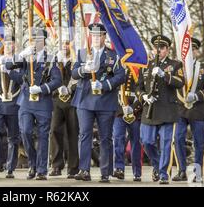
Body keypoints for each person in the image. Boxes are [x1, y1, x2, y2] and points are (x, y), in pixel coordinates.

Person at [5, 28, 61, 180]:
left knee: (43, 136)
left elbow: (57, 80)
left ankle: (41, 170)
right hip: (26, 101)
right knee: (25, 132)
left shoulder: (50, 59)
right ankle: (33, 163)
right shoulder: (25, 57)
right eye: (33, 39)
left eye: (39, 39)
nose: (36, 42)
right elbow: (9, 66)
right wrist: (22, 55)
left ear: (44, 41)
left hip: (43, 102)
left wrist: (42, 88)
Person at [71, 23, 125, 183]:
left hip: (105, 101)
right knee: (84, 135)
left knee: (105, 137)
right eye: (93, 36)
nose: (95, 38)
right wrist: (83, 70)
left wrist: (104, 85)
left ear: (104, 37)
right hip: (85, 100)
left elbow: (121, 76)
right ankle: (84, 170)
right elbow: (74, 73)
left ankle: (105, 172)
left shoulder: (113, 56)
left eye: (98, 35)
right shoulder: (83, 54)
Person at [137, 34, 184, 184]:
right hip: (149, 109)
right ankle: (157, 165)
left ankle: (163, 174)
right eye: (156, 47)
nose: (159, 50)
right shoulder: (146, 66)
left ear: (167, 49)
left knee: (165, 143)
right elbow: (139, 87)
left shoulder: (175, 65)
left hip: (167, 110)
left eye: (162, 48)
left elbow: (180, 82)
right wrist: (143, 96)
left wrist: (165, 75)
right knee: (146, 141)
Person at [172, 38, 204, 183]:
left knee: (199, 142)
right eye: (188, 51)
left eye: (193, 50)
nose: (191, 53)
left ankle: (197, 172)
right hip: (181, 110)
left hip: (198, 110)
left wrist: (196, 95)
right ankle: (182, 170)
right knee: (177, 138)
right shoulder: (178, 68)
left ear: (197, 51)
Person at [0, 34, 22, 178]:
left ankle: (10, 167)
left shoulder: (20, 61)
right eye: (6, 43)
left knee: (13, 137)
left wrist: (11, 70)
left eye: (11, 43)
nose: (9, 46)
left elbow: (22, 80)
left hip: (14, 103)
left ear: (15, 45)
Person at [49, 39, 79, 179]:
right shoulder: (54, 60)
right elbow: (49, 78)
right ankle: (56, 165)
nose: (65, 46)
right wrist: (57, 88)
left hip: (73, 99)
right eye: (63, 44)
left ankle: (73, 168)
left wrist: (70, 89)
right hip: (57, 99)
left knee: (73, 132)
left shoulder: (77, 60)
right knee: (55, 130)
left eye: (67, 44)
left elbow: (79, 78)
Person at [113, 66, 143, 182]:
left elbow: (142, 90)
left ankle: (137, 172)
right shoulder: (117, 69)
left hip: (135, 111)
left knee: (135, 141)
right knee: (118, 138)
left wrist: (133, 108)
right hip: (119, 110)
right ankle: (119, 168)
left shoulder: (137, 69)